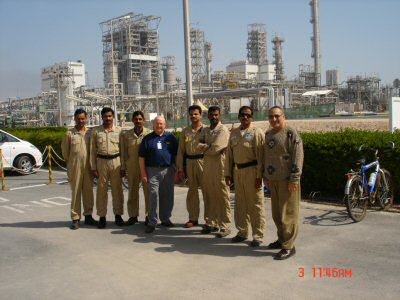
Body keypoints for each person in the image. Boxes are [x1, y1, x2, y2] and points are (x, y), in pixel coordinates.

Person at [264, 106, 304, 260]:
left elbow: (298, 156)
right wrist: (266, 176)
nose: (274, 119)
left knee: (288, 214)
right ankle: (281, 239)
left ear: (283, 116)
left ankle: (289, 246)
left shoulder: (291, 133)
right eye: (271, 117)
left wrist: (294, 179)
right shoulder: (268, 134)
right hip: (273, 180)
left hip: (287, 180)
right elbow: (267, 156)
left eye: (277, 116)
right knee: (276, 214)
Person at [225, 106, 266, 245]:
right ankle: (242, 232)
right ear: (239, 116)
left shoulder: (257, 132)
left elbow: (261, 157)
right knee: (240, 204)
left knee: (255, 205)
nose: (245, 117)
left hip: (252, 171)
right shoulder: (234, 133)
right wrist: (227, 174)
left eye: (248, 115)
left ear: (252, 117)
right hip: (238, 172)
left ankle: (258, 236)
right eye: (242, 115)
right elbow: (229, 156)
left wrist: (259, 176)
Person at [139, 116, 179, 233]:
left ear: (165, 125)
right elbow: (141, 158)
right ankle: (152, 221)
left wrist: (177, 169)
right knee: (153, 195)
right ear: (153, 125)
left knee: (167, 195)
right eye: (157, 124)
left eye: (161, 124)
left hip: (168, 170)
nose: (159, 126)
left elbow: (177, 154)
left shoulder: (171, 138)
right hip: (152, 170)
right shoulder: (147, 139)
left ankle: (165, 218)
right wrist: (143, 173)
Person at [62, 108, 97, 230]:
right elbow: (65, 153)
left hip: (88, 167)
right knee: (76, 192)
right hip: (75, 167)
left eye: (83, 118)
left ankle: (88, 216)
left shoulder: (90, 133)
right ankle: (75, 218)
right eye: (78, 119)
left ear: (86, 119)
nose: (81, 121)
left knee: (88, 192)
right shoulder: (69, 134)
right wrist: (73, 163)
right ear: (75, 119)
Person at [199, 106, 232, 236]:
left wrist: (206, 147)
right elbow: (197, 144)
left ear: (220, 115)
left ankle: (225, 225)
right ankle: (211, 223)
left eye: (216, 115)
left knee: (222, 196)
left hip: (220, 167)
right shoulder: (206, 130)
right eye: (211, 115)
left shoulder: (222, 130)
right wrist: (208, 147)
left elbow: (216, 148)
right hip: (207, 167)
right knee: (209, 195)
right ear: (208, 116)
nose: (214, 117)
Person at [90, 107, 124, 229]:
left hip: (116, 161)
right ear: (102, 117)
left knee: (117, 190)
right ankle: (102, 217)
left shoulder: (119, 131)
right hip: (101, 162)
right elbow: (92, 151)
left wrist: (123, 167)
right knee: (101, 190)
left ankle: (118, 215)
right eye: (105, 116)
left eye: (110, 116)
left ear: (113, 117)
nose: (108, 118)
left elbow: (123, 151)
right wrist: (93, 167)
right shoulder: (96, 131)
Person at [120, 111, 151, 226]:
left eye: (140, 119)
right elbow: (123, 153)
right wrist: (123, 167)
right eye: (136, 119)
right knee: (132, 191)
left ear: (143, 120)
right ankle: (133, 216)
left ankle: (149, 215)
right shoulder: (126, 135)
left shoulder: (149, 134)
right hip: (132, 166)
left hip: (146, 167)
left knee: (148, 192)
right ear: (132, 120)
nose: (138, 121)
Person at [177, 105, 205, 228]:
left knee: (207, 192)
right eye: (191, 114)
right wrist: (180, 168)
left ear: (201, 115)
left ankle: (210, 220)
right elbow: (180, 151)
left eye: (196, 114)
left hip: (203, 162)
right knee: (192, 192)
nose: (193, 116)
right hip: (190, 162)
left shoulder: (206, 130)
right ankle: (193, 218)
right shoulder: (185, 131)